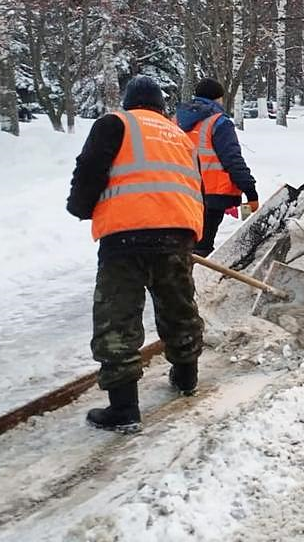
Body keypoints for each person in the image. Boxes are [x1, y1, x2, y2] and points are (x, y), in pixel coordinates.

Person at [67, 76, 206, 432]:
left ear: (129, 103)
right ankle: (187, 378)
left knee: (119, 317)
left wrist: (81, 207)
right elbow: (193, 184)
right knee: (179, 307)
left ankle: (124, 409)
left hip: (125, 238)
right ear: (161, 106)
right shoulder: (178, 136)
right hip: (177, 234)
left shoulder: (116, 123)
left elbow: (90, 169)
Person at [175, 79, 259, 256]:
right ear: (218, 99)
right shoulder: (218, 122)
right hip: (212, 195)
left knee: (184, 244)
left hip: (180, 192)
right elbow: (232, 159)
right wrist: (250, 191)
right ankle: (197, 280)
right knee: (201, 249)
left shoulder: (175, 121)